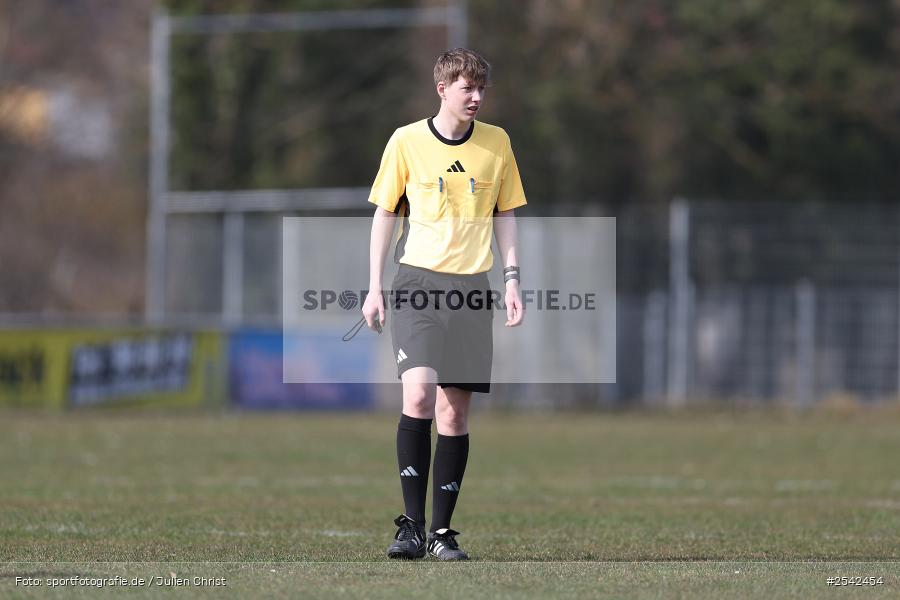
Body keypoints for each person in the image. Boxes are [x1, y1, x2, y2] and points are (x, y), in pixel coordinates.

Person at [362, 48, 526, 561]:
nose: (475, 97)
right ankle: (410, 527)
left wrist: (514, 278)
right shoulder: (406, 141)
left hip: (473, 290)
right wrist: (374, 285)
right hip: (417, 285)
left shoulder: (497, 143)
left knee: (454, 416)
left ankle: (441, 534)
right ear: (442, 89)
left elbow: (507, 215)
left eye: (481, 88)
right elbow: (385, 215)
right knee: (418, 398)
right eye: (465, 88)